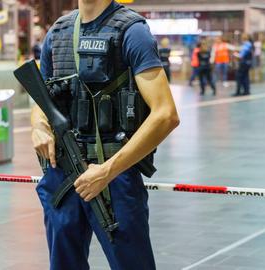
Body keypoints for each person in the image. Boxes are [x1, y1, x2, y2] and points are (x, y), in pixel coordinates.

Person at [33, 0, 180, 269]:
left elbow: (165, 115)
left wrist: (107, 171)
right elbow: (41, 97)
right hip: (63, 173)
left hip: (114, 179)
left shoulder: (131, 31)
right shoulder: (58, 32)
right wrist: (39, 126)